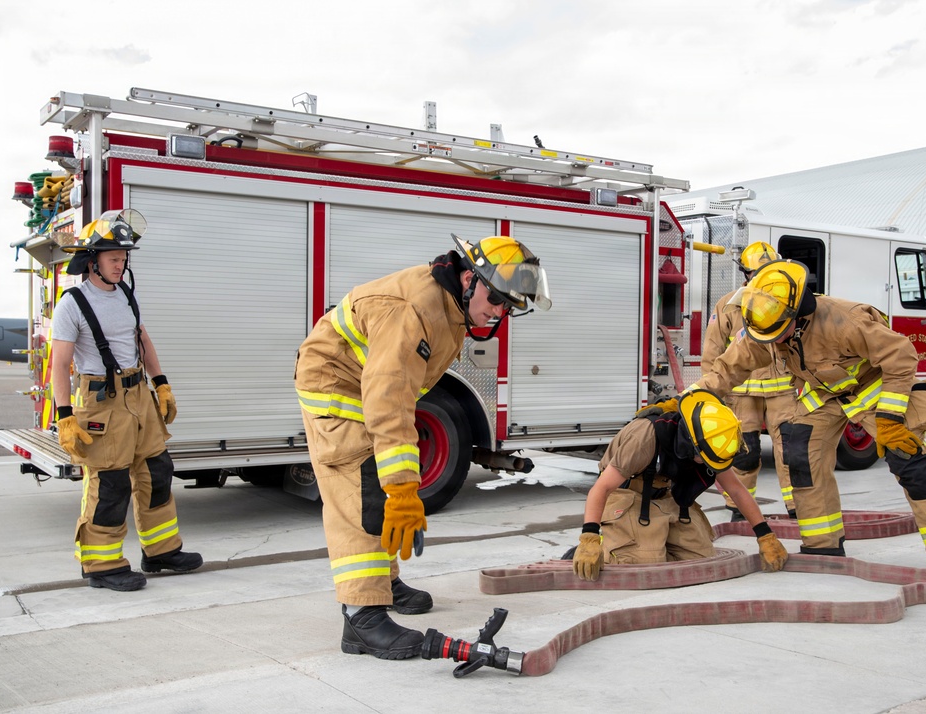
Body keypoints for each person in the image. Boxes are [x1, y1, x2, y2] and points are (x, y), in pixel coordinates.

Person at [295, 234, 551, 659]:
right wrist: (401, 487)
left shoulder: (451, 303)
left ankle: (384, 582)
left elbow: (400, 389)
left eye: (508, 305)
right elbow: (388, 399)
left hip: (367, 389)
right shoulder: (414, 310)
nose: (497, 311)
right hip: (337, 390)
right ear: (469, 277)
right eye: (495, 297)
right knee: (363, 491)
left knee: (380, 489)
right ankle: (362, 616)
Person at [681, 259, 926, 578]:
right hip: (824, 395)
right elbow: (728, 368)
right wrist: (687, 399)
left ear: (798, 314)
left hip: (878, 387)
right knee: (800, 457)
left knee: (907, 458)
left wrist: (891, 418)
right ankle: (823, 546)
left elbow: (902, 358)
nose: (773, 342)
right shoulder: (768, 328)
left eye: (777, 334)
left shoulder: (846, 320)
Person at [51, 209, 203, 592]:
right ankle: (101, 567)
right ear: (93, 261)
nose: (121, 264)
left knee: (156, 472)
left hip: (139, 397)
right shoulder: (73, 303)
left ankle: (161, 552)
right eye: (114, 258)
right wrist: (64, 415)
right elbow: (60, 363)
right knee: (111, 482)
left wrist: (162, 383)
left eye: (123, 258)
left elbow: (142, 340)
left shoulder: (125, 295)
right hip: (101, 401)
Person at [572, 390, 789, 581]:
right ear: (690, 444)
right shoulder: (645, 437)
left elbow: (736, 489)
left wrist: (765, 535)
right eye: (704, 459)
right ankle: (609, 543)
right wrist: (589, 536)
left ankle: (651, 539)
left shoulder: (708, 438)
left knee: (701, 558)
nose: (706, 465)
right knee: (643, 562)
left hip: (665, 494)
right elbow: (602, 488)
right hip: (626, 493)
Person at [703, 242, 797, 520]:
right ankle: (739, 509)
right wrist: (714, 394)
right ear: (745, 274)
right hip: (741, 395)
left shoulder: (785, 303)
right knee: (744, 452)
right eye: (755, 273)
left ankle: (798, 508)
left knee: (792, 451)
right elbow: (712, 351)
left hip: (783, 392)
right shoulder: (729, 306)